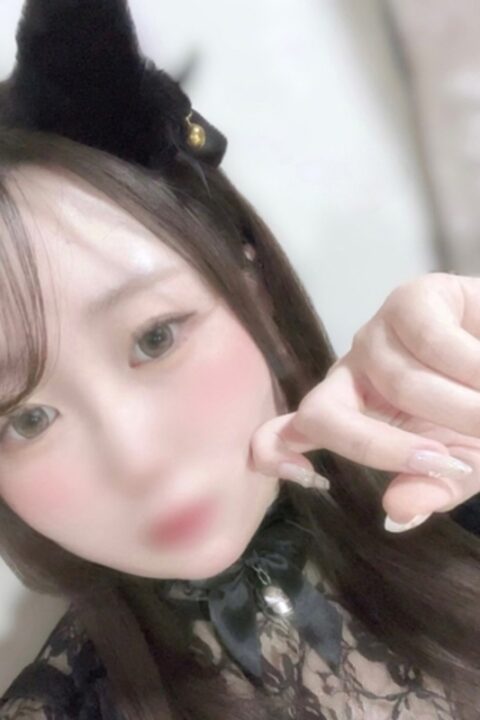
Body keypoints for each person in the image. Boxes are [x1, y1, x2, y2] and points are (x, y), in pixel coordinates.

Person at [0, 2, 479, 719]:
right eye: (28, 418)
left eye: (155, 338)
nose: (136, 460)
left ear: (253, 291)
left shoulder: (453, 483)